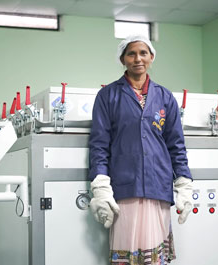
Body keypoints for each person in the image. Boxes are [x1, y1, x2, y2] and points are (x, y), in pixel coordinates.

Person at [88, 35, 193, 265]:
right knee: (128, 251)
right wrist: (101, 188)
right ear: (123, 59)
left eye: (143, 53)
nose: (138, 59)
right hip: (125, 188)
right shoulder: (108, 96)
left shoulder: (165, 97)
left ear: (152, 57)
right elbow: (99, 144)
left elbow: (176, 145)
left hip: (158, 187)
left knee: (155, 257)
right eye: (131, 54)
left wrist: (184, 184)